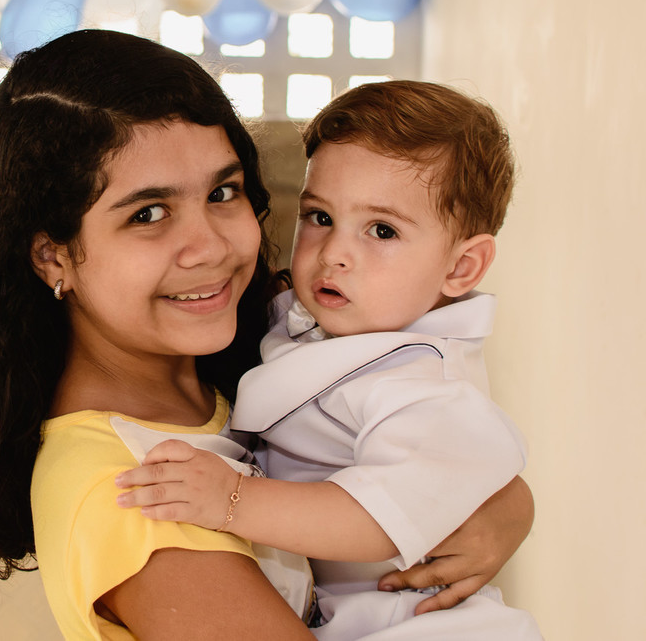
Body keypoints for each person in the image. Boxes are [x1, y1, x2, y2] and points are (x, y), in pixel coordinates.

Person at [0, 32, 533, 640]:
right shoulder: (130, 491)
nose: (210, 247)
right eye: (148, 214)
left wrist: (503, 506)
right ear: (54, 256)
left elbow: (425, 442)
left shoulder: (249, 354)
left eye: (222, 192)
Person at [115, 81, 542, 638]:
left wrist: (233, 501)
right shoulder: (311, 316)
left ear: (461, 268)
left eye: (382, 230)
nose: (334, 253)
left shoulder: (428, 387)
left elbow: (376, 519)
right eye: (319, 217)